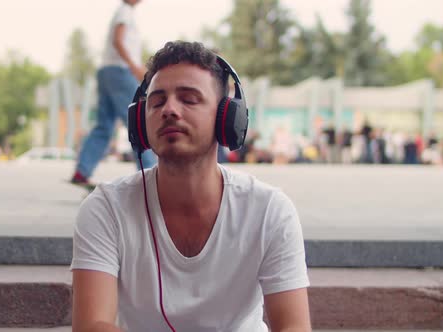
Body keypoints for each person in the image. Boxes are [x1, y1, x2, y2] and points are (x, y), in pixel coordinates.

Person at [71, 41, 311, 332]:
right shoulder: (106, 208)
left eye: (189, 99)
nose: (169, 109)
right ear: (140, 122)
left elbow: (293, 327)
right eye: (157, 101)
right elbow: (91, 325)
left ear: (226, 119)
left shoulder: (270, 211)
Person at [70, 0, 156, 187]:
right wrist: (134, 67)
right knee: (138, 121)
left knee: (104, 126)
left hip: (106, 71)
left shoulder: (123, 12)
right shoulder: (125, 11)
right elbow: (118, 41)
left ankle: (82, 170)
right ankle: (151, 173)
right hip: (120, 72)